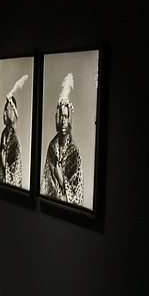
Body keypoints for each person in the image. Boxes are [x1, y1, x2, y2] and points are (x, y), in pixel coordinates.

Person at [40, 72, 84, 205]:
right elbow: (45, 183)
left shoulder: (74, 152)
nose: (63, 121)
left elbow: (77, 193)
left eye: (66, 117)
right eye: (61, 117)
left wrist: (61, 179)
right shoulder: (52, 147)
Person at [0, 74, 28, 187]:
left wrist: (4, 163)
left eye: (7, 109)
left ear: (12, 111)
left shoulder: (14, 140)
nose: (4, 113)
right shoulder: (5, 133)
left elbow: (14, 172)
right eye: (5, 109)